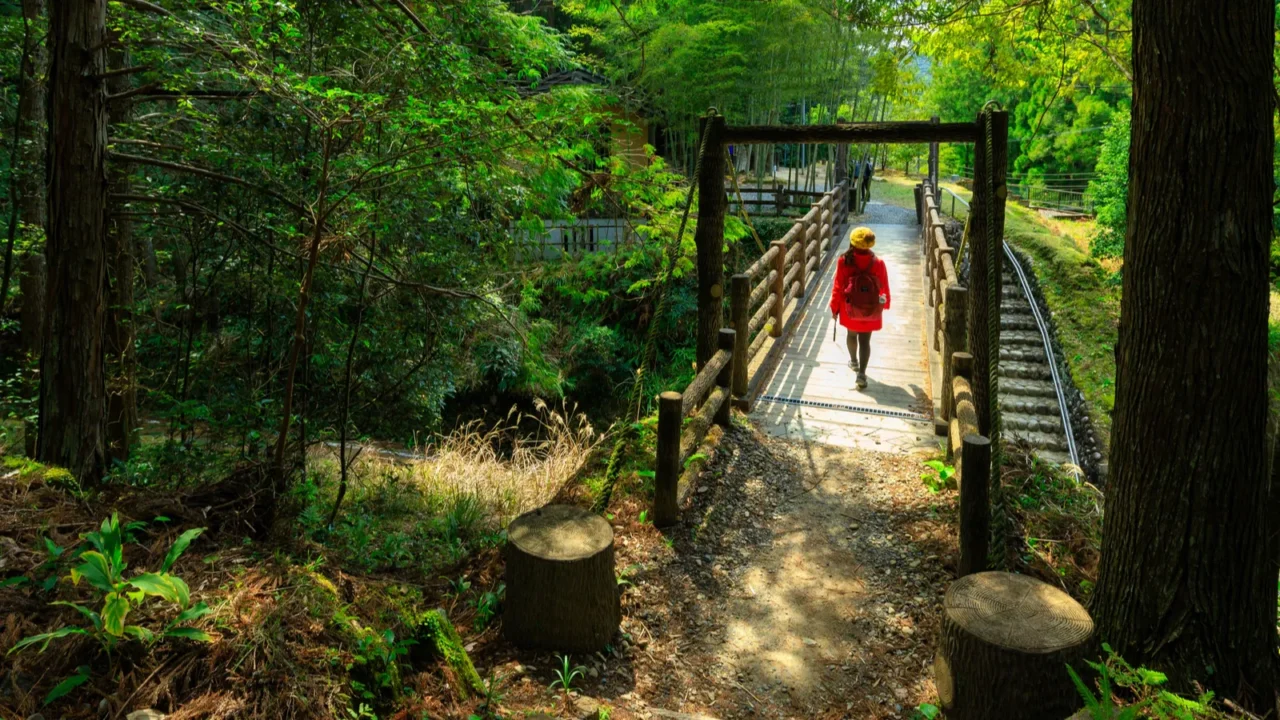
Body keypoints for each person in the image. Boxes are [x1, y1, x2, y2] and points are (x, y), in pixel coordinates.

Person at [830, 226, 890, 389]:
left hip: (850, 307)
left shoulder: (844, 260)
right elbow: (883, 285)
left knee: (851, 334)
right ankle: (862, 374)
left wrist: (834, 307)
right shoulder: (878, 263)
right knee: (865, 341)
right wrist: (885, 304)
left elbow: (838, 286)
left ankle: (854, 361)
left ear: (852, 242)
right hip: (870, 308)